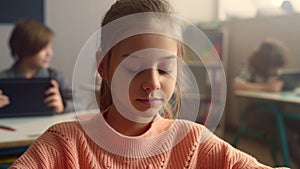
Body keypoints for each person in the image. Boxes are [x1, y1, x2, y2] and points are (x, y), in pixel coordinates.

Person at [9, 1, 288, 169]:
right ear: (103, 66)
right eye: (135, 67)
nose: (152, 84)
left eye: (165, 69)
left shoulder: (192, 142)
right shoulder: (64, 144)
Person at [233, 39, 300, 167]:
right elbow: (237, 85)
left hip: (277, 112)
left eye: (278, 67)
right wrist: (265, 87)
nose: (276, 70)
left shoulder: (277, 71)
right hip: (255, 112)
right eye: (273, 67)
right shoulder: (251, 69)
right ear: (264, 63)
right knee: (284, 132)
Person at [0, 19, 72, 113]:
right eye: (43, 48)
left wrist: (63, 106)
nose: (50, 54)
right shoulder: (3, 79)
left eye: (50, 48)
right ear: (26, 48)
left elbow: (80, 103)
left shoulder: (55, 76)